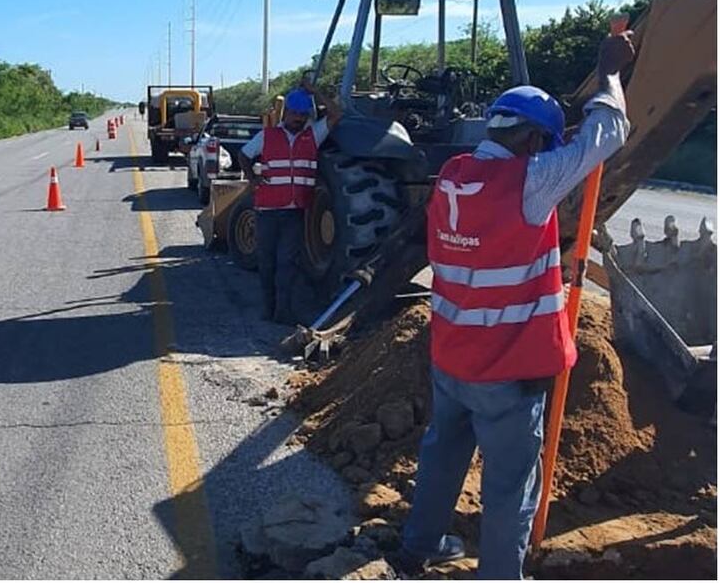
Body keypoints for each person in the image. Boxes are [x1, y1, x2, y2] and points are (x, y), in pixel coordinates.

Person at [397, 31, 637, 579]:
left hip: (452, 357)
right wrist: (609, 73)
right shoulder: (529, 180)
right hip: (507, 369)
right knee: (510, 485)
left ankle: (419, 547)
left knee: (442, 452)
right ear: (531, 141)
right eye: (545, 146)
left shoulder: (454, 176)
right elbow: (610, 132)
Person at [238, 80, 342, 324]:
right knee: (267, 262)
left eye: (303, 114)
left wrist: (316, 91)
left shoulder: (313, 136)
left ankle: (282, 311)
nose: (299, 118)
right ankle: (268, 307)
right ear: (286, 113)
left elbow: (336, 114)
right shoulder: (268, 136)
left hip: (295, 212)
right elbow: (243, 155)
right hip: (267, 210)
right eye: (295, 113)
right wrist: (252, 179)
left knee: (287, 263)